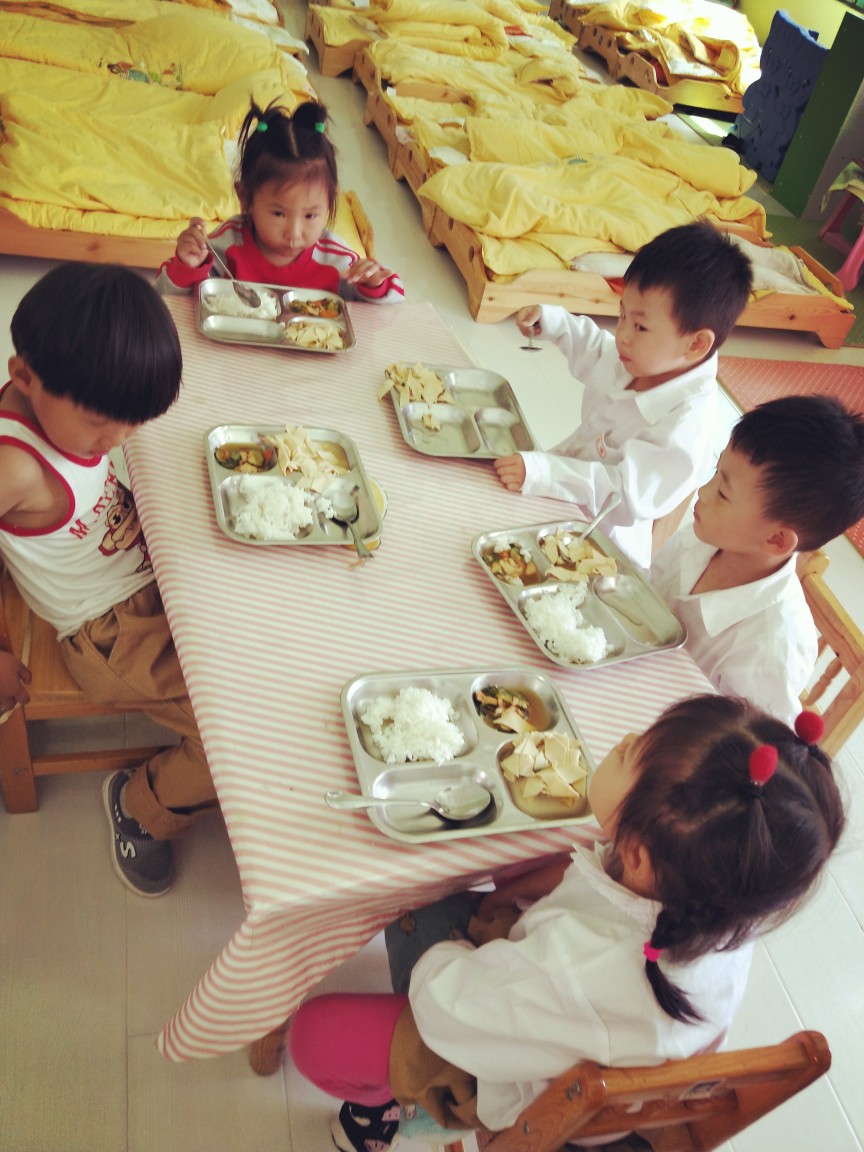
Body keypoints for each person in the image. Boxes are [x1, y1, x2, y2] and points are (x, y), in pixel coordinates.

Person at [288, 695, 844, 1152]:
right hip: (574, 1026)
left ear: (638, 854)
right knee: (513, 868)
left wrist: (454, 946)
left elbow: (442, 1006)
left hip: (509, 1079)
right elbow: (583, 879)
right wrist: (514, 899)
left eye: (631, 751)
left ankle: (388, 1112)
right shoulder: (723, 897)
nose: (624, 739)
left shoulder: (578, 969)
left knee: (317, 1033)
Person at [0, 263, 218, 898]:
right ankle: (141, 804)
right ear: (24, 377)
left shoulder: (63, 396)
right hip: (108, 631)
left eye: (133, 421)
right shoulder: (14, 468)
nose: (118, 438)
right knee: (233, 738)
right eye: (102, 423)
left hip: (141, 569)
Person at [493, 220, 753, 569]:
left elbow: (621, 494)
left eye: (640, 325)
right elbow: (597, 350)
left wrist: (545, 473)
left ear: (695, 344)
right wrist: (553, 323)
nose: (623, 335)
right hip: (560, 491)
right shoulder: (648, 358)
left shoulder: (686, 429)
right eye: (622, 315)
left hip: (598, 547)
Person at [652, 395, 864, 725]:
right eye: (716, 471)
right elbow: (644, 592)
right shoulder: (705, 536)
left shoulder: (771, 651)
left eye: (723, 494)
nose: (703, 493)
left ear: (777, 539)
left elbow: (744, 742)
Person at [156, 99, 404, 303]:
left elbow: (393, 306)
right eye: (278, 214)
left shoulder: (335, 259)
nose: (294, 234)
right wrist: (187, 265)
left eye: (310, 216)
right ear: (246, 198)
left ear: (330, 201)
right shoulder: (226, 245)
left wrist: (375, 284)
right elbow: (169, 299)